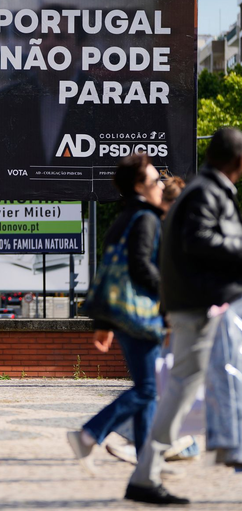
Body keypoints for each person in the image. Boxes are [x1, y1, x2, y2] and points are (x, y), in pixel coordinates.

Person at [126, 127, 242, 505]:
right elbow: (199, 241)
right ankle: (146, 475)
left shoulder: (201, 190)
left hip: (196, 304)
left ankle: (223, 449)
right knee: (180, 390)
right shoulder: (206, 193)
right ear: (238, 163)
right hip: (200, 306)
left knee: (184, 388)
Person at [66, 154, 165, 474]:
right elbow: (139, 266)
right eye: (155, 181)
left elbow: (108, 272)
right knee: (148, 389)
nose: (160, 186)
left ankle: (146, 459)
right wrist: (170, 293)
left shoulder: (123, 218)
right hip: (140, 315)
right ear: (139, 186)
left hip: (122, 316)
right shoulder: (147, 218)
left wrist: (105, 323)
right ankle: (89, 433)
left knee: (147, 390)